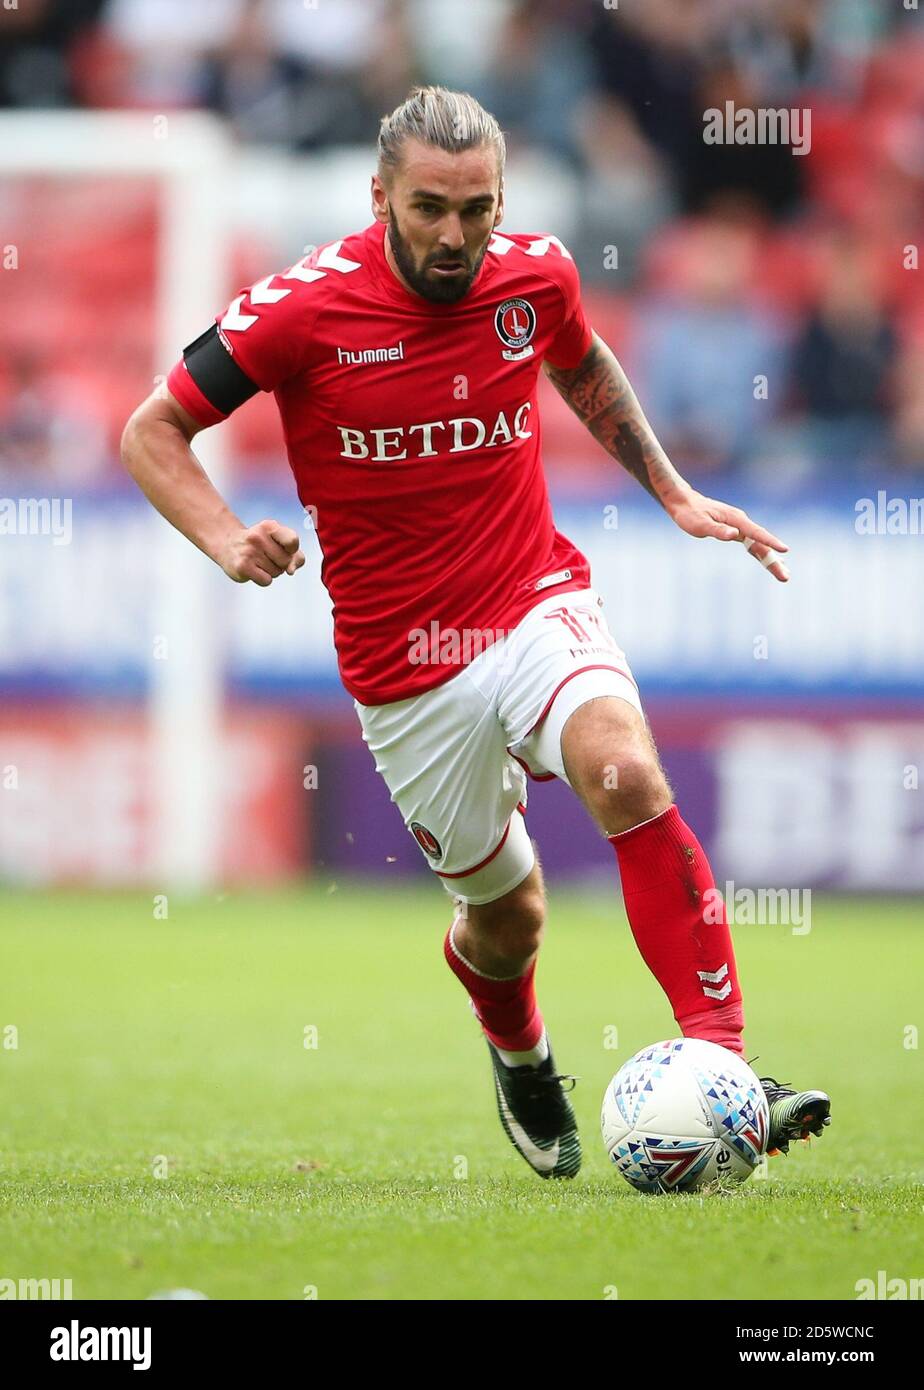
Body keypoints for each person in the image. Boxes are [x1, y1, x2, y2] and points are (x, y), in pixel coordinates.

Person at [122, 86, 831, 1180]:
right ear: (379, 198)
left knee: (625, 773)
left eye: (477, 208)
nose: (455, 235)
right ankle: (520, 1051)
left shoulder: (534, 273)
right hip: (405, 666)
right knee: (510, 923)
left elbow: (581, 362)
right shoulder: (298, 312)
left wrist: (673, 492)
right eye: (429, 209)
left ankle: (727, 1066)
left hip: (530, 595)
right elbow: (152, 428)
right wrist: (223, 538)